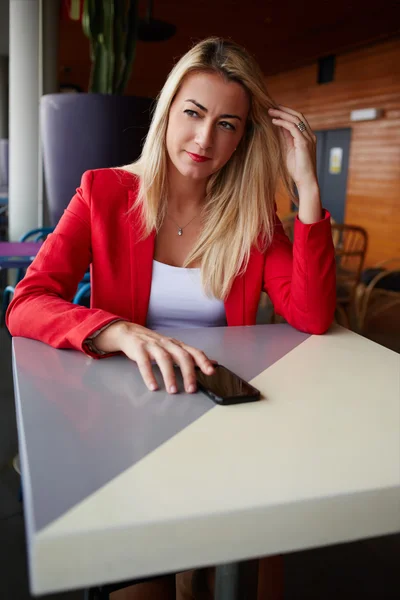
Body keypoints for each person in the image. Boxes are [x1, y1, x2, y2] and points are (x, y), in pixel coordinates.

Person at [6, 37, 336, 599]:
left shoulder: (252, 217)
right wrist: (116, 329)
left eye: (228, 124)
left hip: (224, 421)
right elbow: (26, 302)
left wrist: (305, 187)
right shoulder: (104, 192)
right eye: (194, 113)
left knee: (251, 568)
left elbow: (311, 315)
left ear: (244, 137)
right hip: (131, 421)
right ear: (168, 111)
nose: (206, 139)